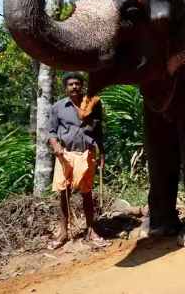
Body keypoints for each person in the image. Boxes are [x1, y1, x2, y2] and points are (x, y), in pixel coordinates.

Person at [47, 72, 108, 249]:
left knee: (86, 193)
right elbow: (51, 132)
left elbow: (98, 130)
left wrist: (102, 153)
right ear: (65, 88)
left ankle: (91, 230)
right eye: (70, 84)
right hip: (65, 155)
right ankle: (63, 232)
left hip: (86, 154)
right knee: (63, 194)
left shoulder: (93, 103)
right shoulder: (58, 107)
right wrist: (56, 146)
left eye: (77, 84)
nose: (74, 87)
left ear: (82, 86)